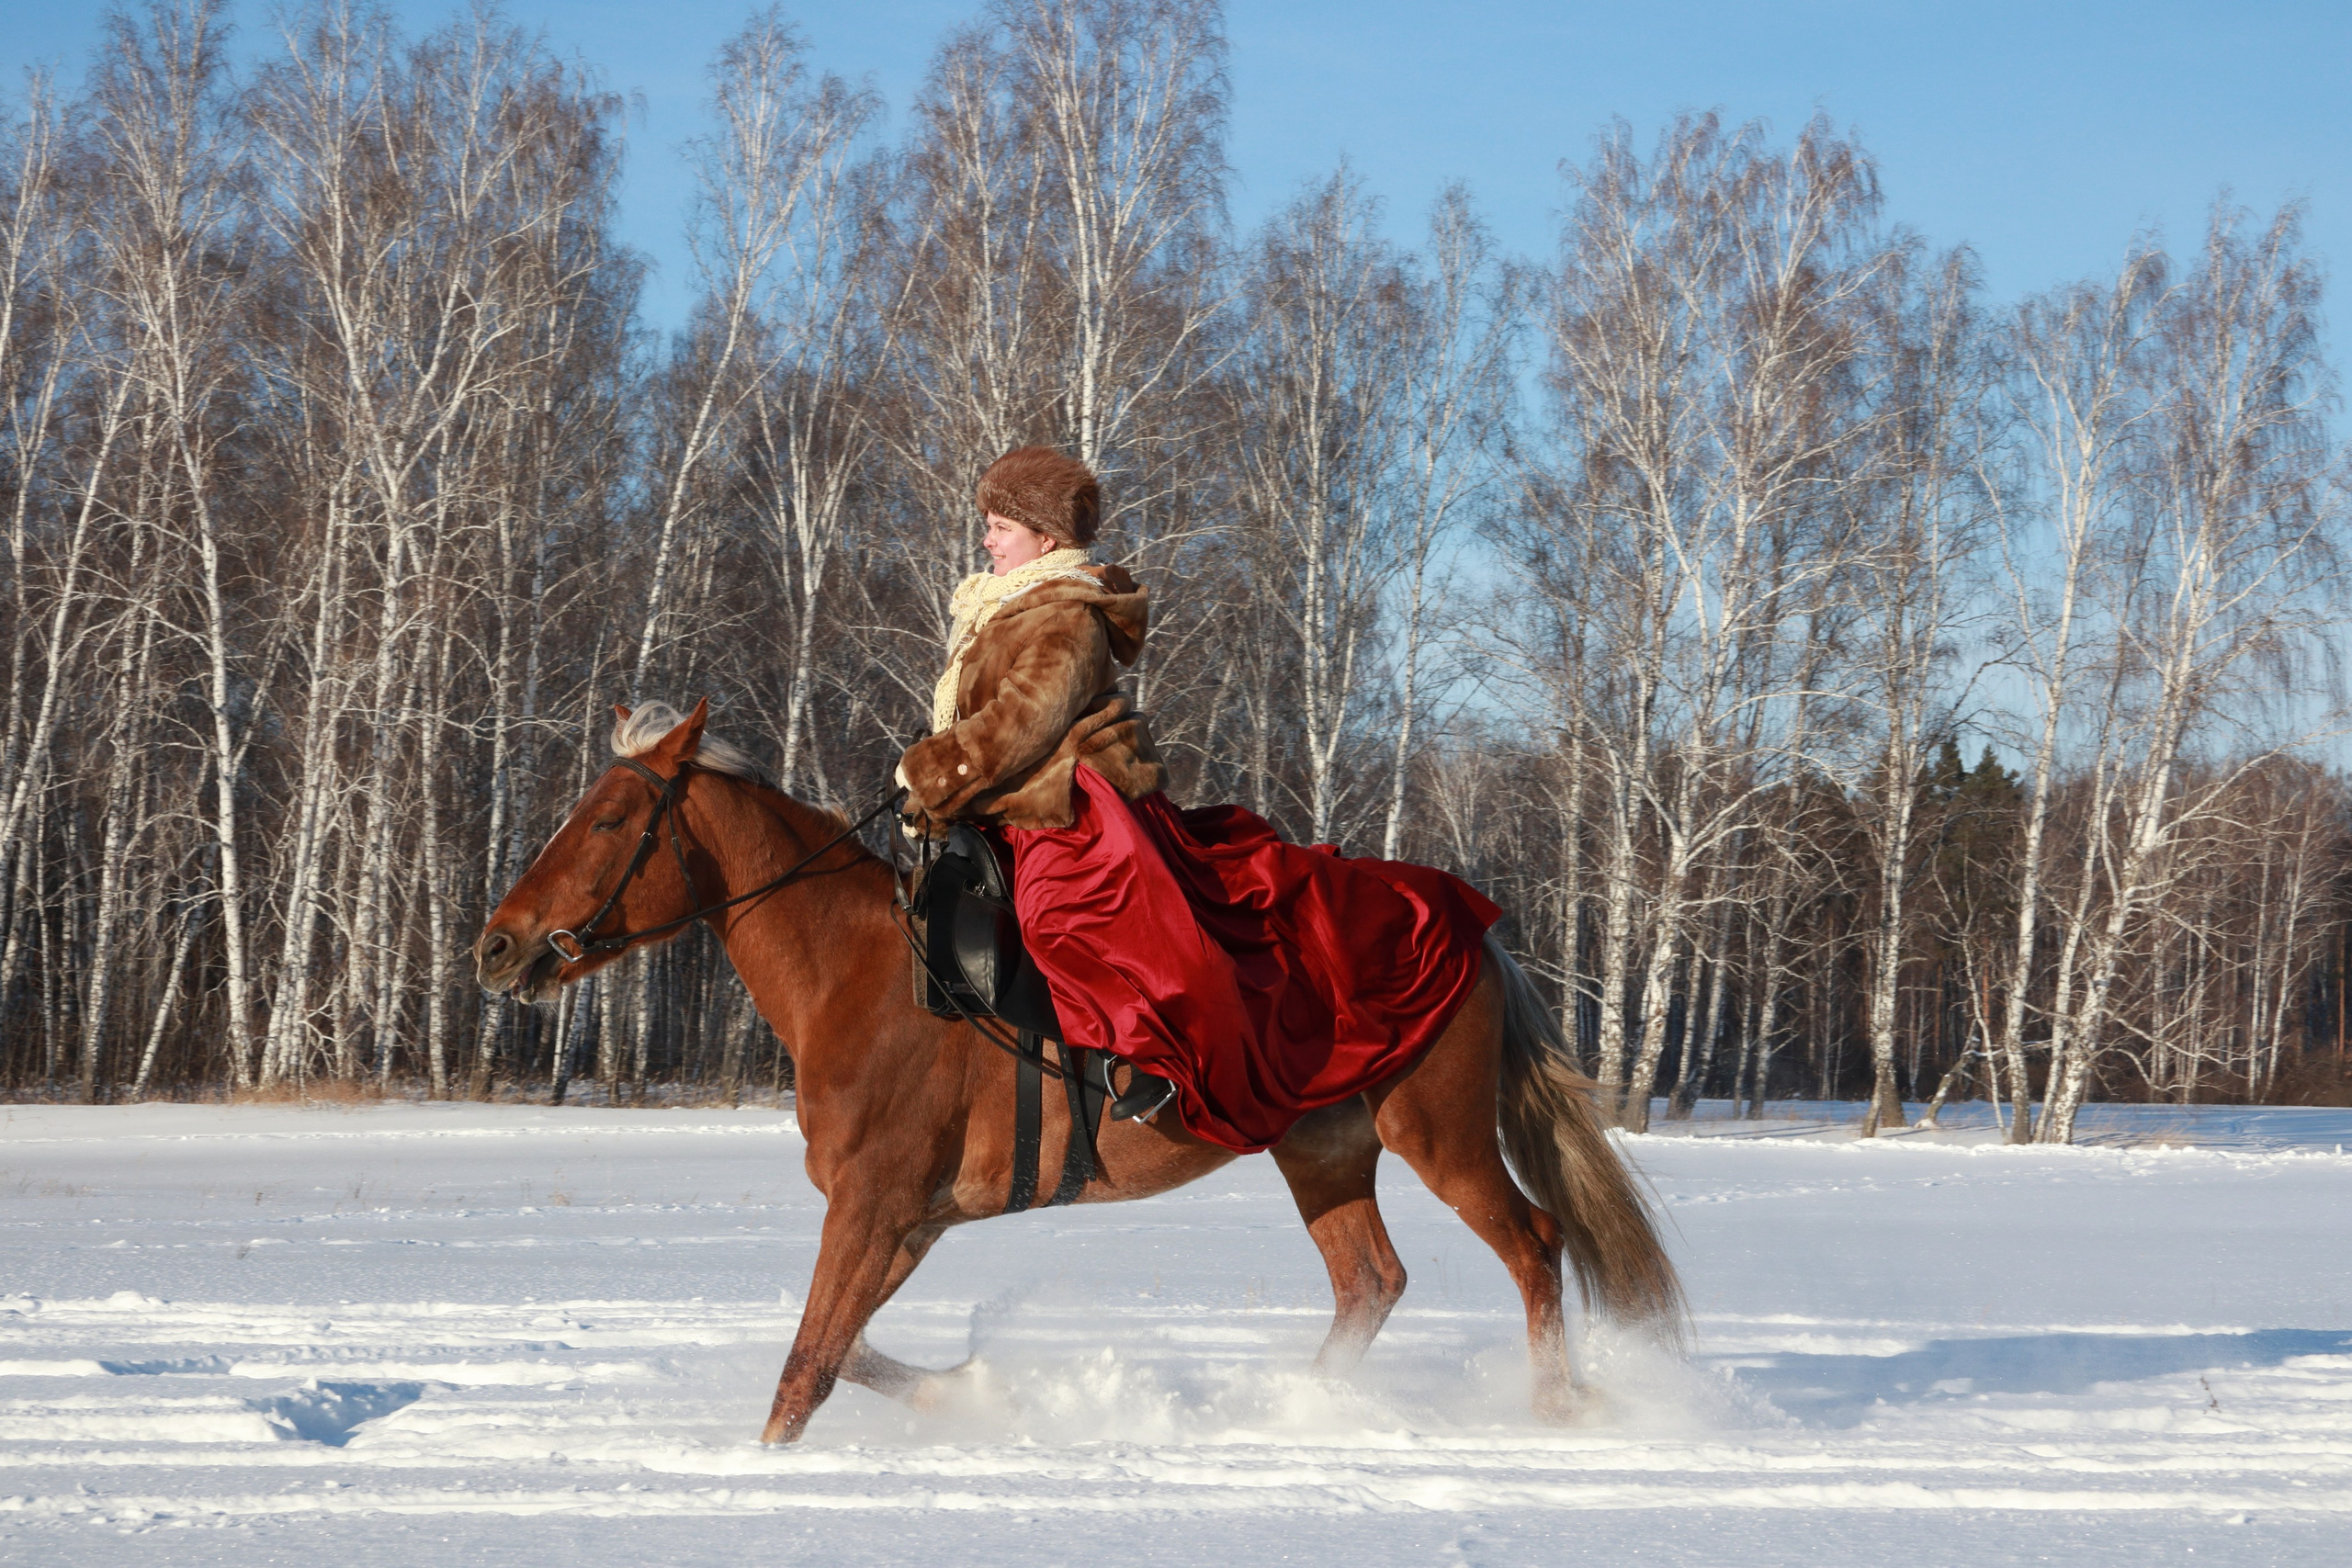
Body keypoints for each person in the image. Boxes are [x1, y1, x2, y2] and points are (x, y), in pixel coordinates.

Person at [898, 446, 1501, 1153]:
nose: (987, 539)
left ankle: (1160, 1059)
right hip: (1020, 802)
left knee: (1063, 918)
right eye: (989, 525)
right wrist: (937, 790)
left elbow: (1023, 721)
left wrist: (927, 771)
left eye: (1000, 526)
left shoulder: (1066, 614)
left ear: (1047, 538)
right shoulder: (1002, 608)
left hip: (1076, 806)